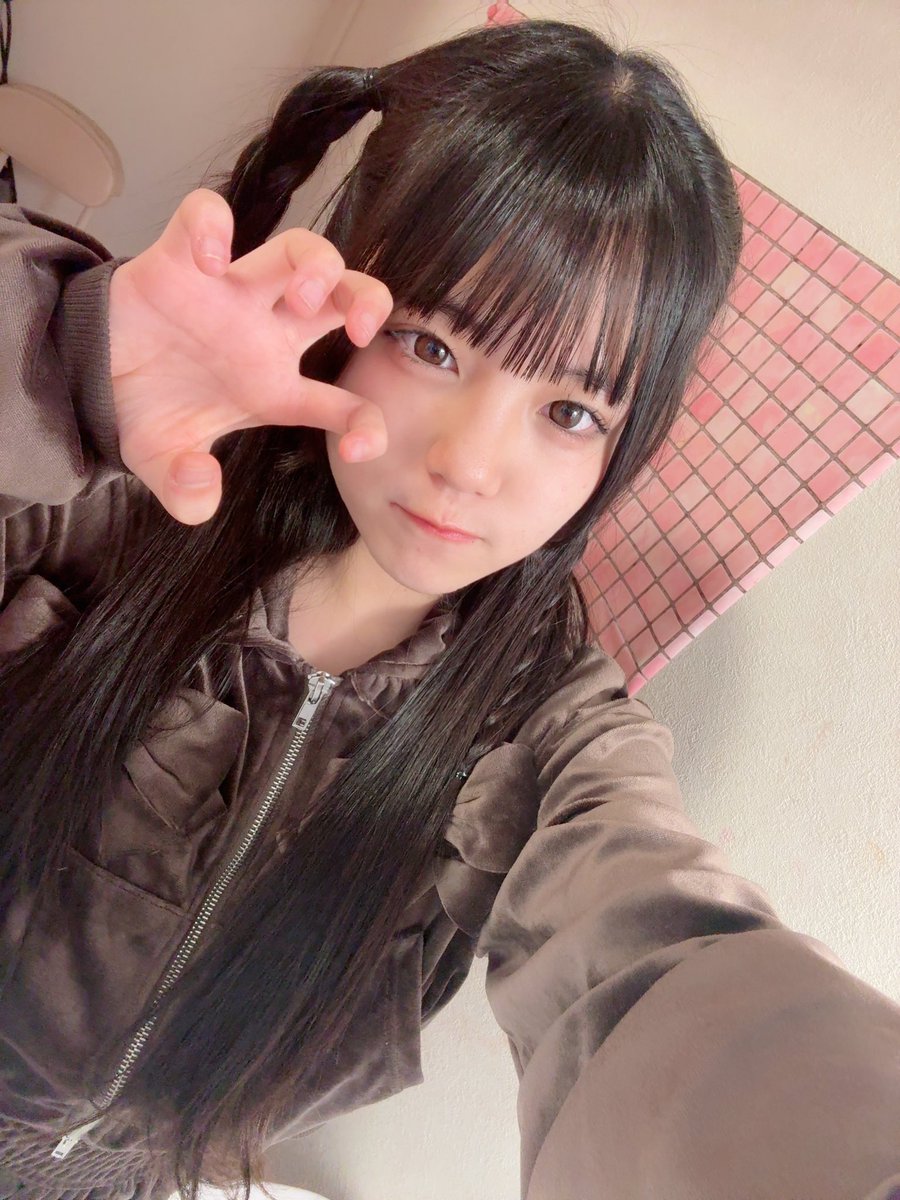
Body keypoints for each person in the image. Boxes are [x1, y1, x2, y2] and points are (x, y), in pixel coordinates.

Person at [0, 17, 897, 1200]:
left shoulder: (548, 738)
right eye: (431, 346)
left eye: (570, 412)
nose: (469, 464)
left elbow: (648, 966)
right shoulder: (124, 509)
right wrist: (64, 359)